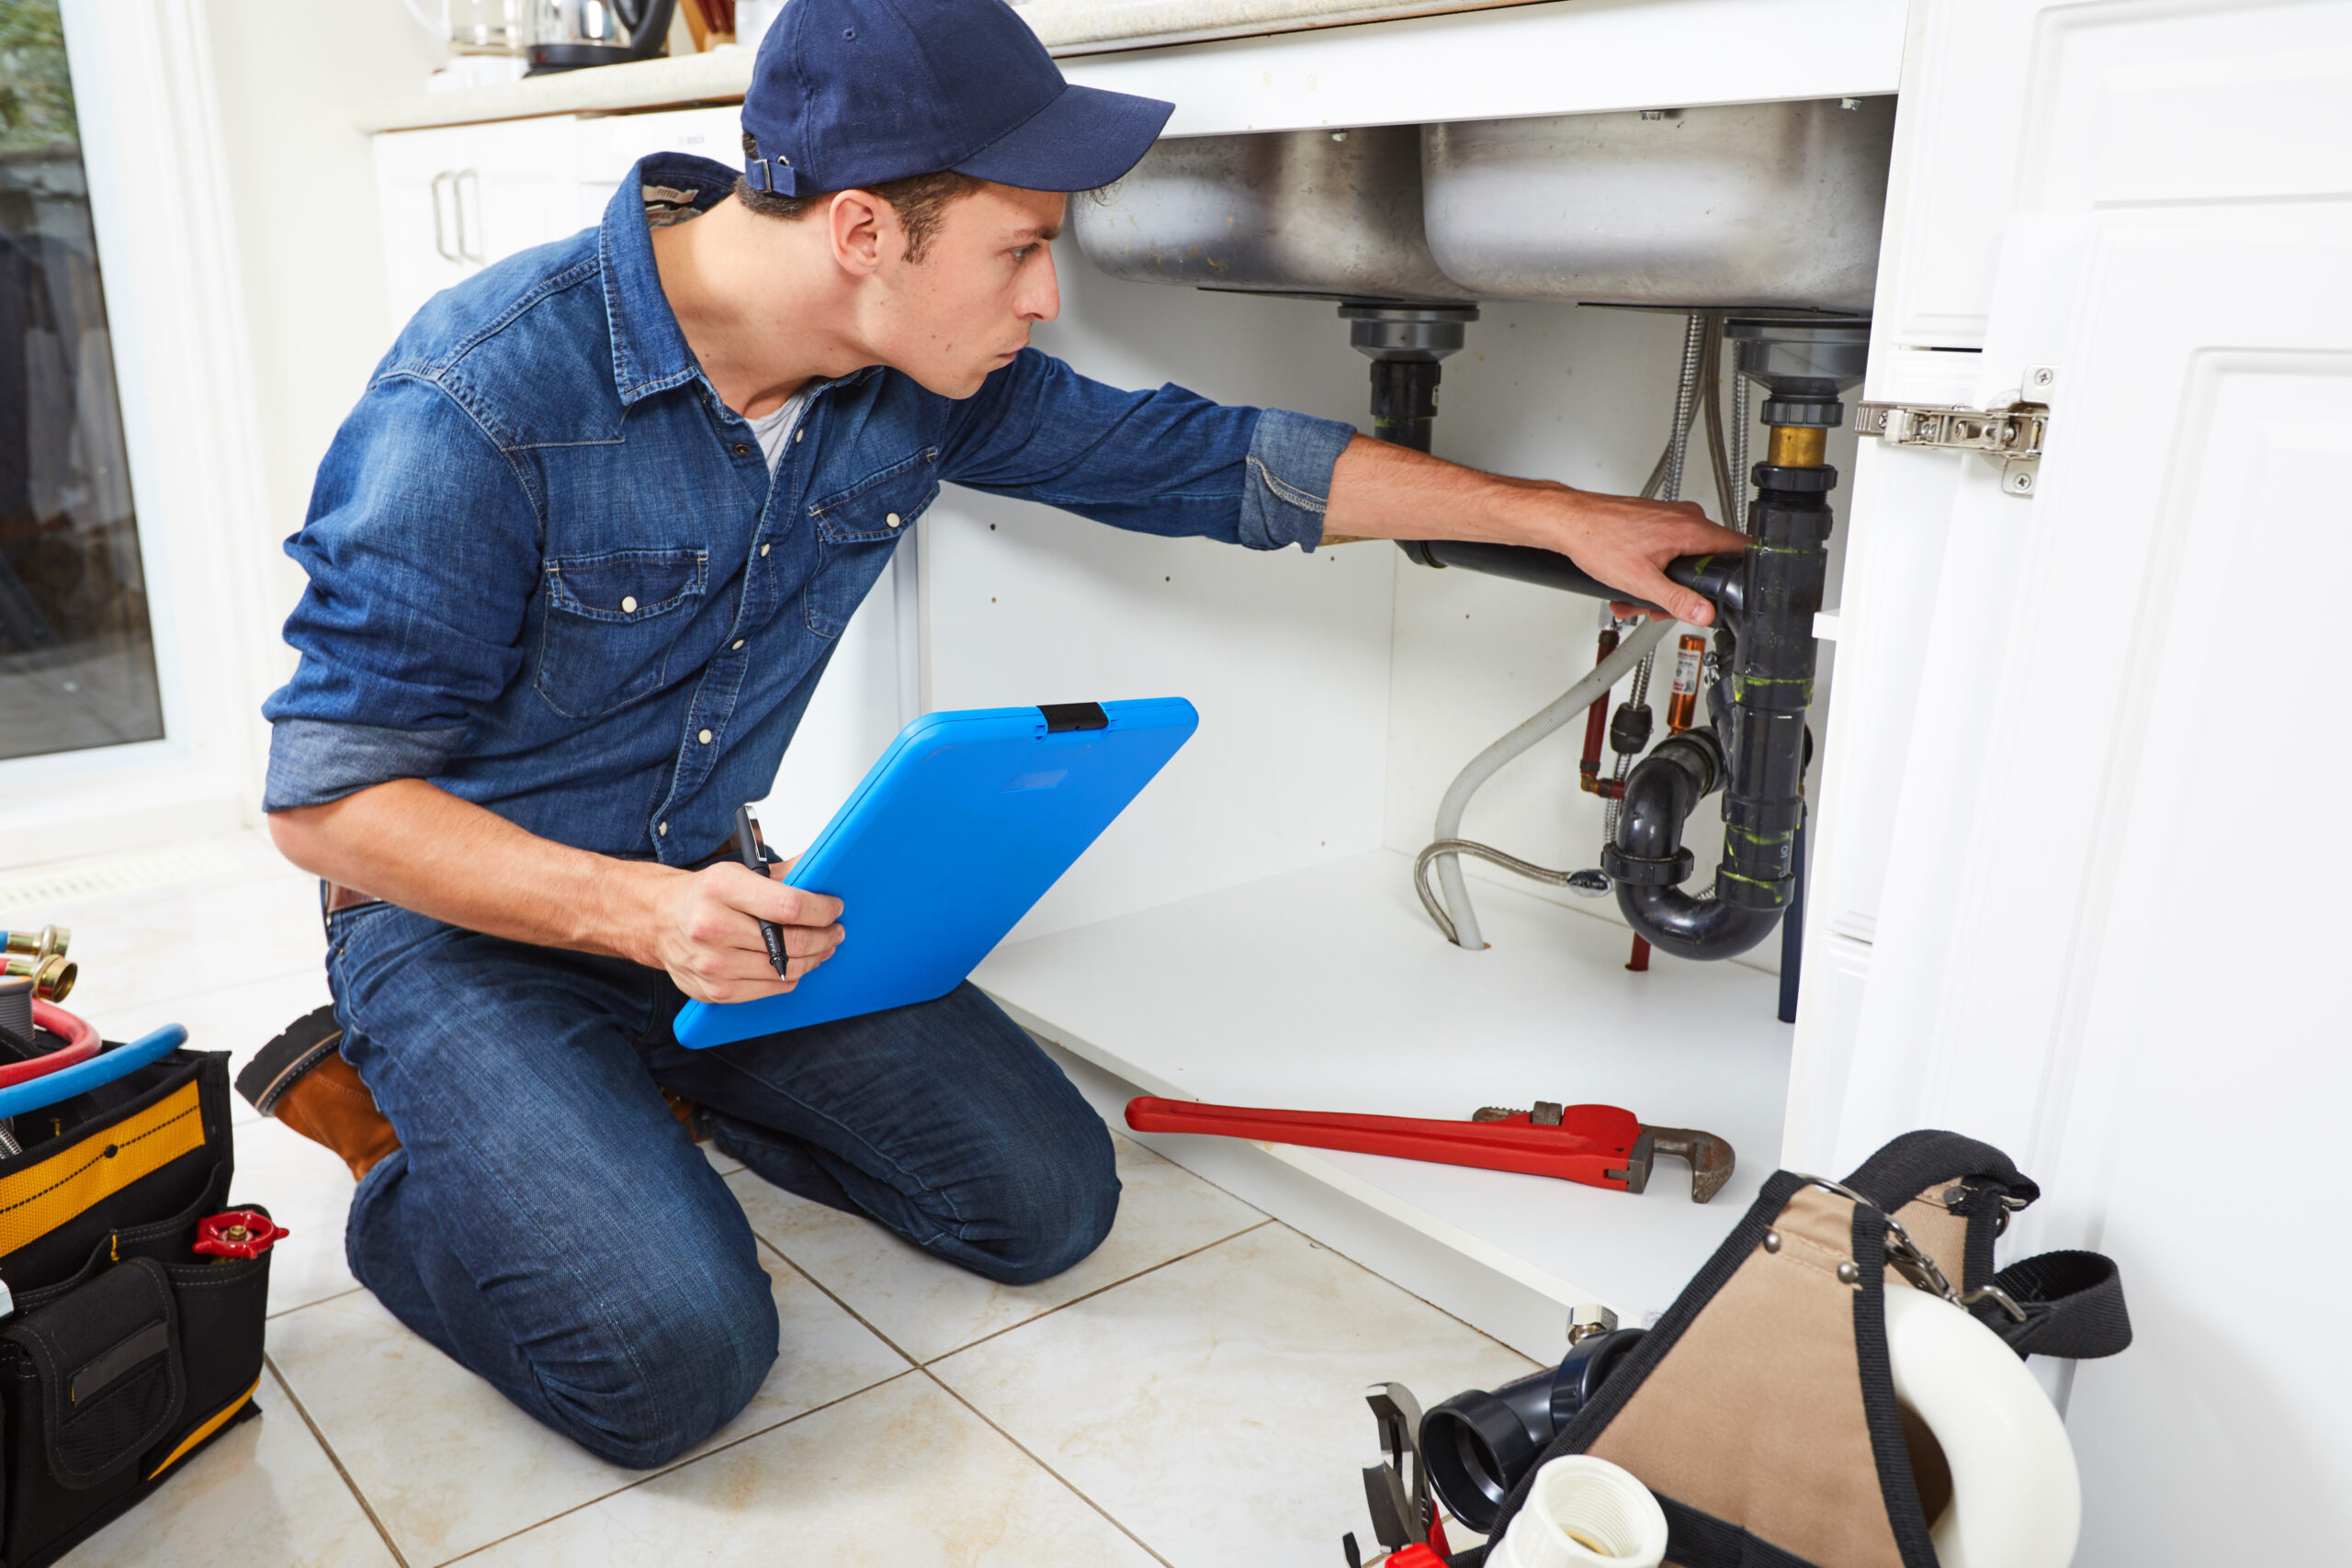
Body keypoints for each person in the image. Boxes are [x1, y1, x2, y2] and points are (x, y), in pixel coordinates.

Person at [244, 0, 1744, 1467]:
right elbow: (326, 806)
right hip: (467, 929)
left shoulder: (907, 377)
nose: (1043, 296)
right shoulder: (482, 396)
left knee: (1042, 1204)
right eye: (1021, 248)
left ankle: (631, 1108)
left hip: (725, 898)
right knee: (672, 1365)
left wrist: (1561, 522)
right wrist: (639, 915)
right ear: (861, 233)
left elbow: (1214, 465)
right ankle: (404, 1159)